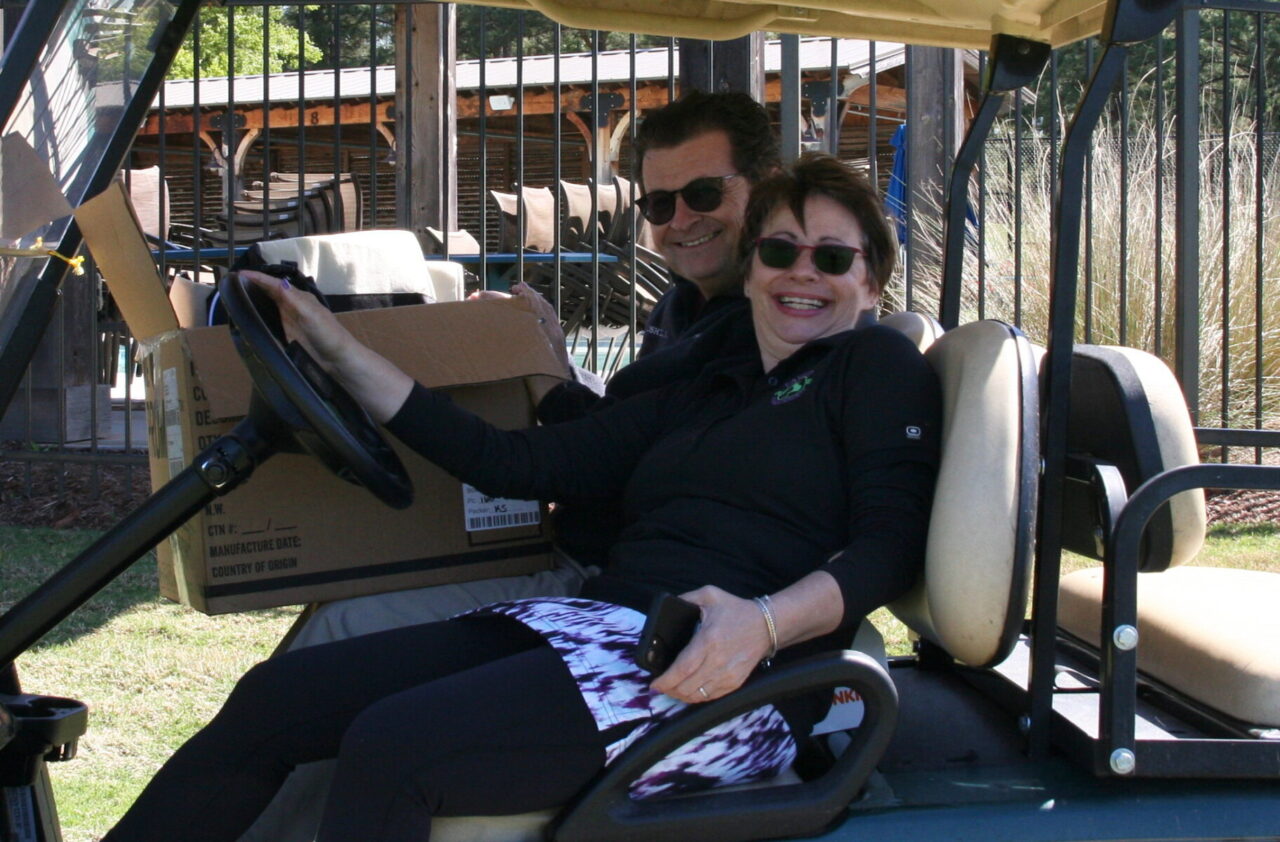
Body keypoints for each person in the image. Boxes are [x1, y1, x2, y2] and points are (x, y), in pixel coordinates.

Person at [106, 152, 940, 842]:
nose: (803, 273)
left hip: (728, 678)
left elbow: (889, 545)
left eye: (834, 258)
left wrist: (762, 624)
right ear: (752, 269)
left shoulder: (874, 367)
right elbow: (512, 462)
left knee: (394, 749)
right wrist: (336, 349)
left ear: (871, 284)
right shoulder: (709, 387)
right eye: (781, 251)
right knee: (275, 700)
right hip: (605, 630)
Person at [237, 92, 782, 842]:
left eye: (705, 193)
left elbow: (565, 462)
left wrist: (538, 372)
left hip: (608, 600)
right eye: (659, 203)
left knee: (344, 632)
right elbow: (622, 438)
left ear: (767, 186)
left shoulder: (767, 333)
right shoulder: (690, 308)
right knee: (335, 632)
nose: (680, 219)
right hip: (581, 568)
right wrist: (548, 360)